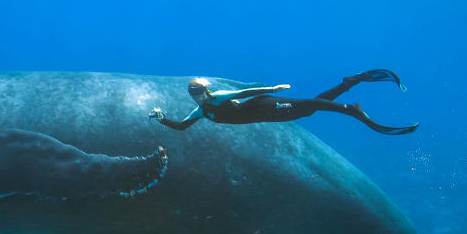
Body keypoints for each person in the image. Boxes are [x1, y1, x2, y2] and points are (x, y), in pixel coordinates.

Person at [149, 69, 418, 134]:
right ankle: (348, 83)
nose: (195, 94)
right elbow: (182, 126)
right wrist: (163, 119)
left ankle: (351, 110)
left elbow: (244, 94)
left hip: (266, 105)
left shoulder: (217, 97)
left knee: (308, 106)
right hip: (270, 116)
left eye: (197, 89)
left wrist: (273, 87)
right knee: (309, 108)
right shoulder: (200, 111)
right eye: (191, 91)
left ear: (206, 90)